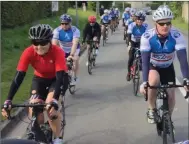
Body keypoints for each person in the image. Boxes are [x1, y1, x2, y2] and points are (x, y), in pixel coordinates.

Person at [1, 24, 68, 144]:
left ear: (49, 41)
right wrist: (8, 100)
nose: (38, 47)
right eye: (35, 42)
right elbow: (18, 77)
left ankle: (58, 139)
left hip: (56, 79)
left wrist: (55, 100)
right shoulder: (28, 52)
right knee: (34, 107)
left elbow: (59, 78)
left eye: (42, 43)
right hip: (39, 80)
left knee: (50, 109)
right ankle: (40, 135)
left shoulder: (57, 52)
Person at [139, 5, 189, 128]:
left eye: (168, 23)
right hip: (153, 65)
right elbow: (145, 62)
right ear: (155, 24)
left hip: (167, 66)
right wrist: (145, 82)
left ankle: (168, 120)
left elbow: (183, 60)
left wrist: (186, 79)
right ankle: (152, 109)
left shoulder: (176, 36)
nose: (165, 26)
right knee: (154, 81)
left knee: (171, 95)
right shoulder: (147, 37)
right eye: (162, 24)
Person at [52, 14, 80, 86]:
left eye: (66, 23)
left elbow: (75, 43)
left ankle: (75, 77)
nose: (64, 25)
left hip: (74, 48)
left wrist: (71, 55)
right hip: (63, 49)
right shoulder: (57, 30)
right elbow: (54, 44)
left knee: (75, 60)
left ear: (70, 23)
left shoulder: (75, 30)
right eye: (62, 23)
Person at [126, 10, 147, 81]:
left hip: (142, 42)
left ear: (143, 20)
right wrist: (129, 44)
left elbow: (149, 37)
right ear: (135, 19)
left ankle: (139, 66)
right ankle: (129, 73)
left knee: (143, 57)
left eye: (141, 20)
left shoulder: (146, 26)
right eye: (138, 19)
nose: (139, 21)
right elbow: (129, 35)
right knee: (131, 57)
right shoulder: (131, 25)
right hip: (133, 41)